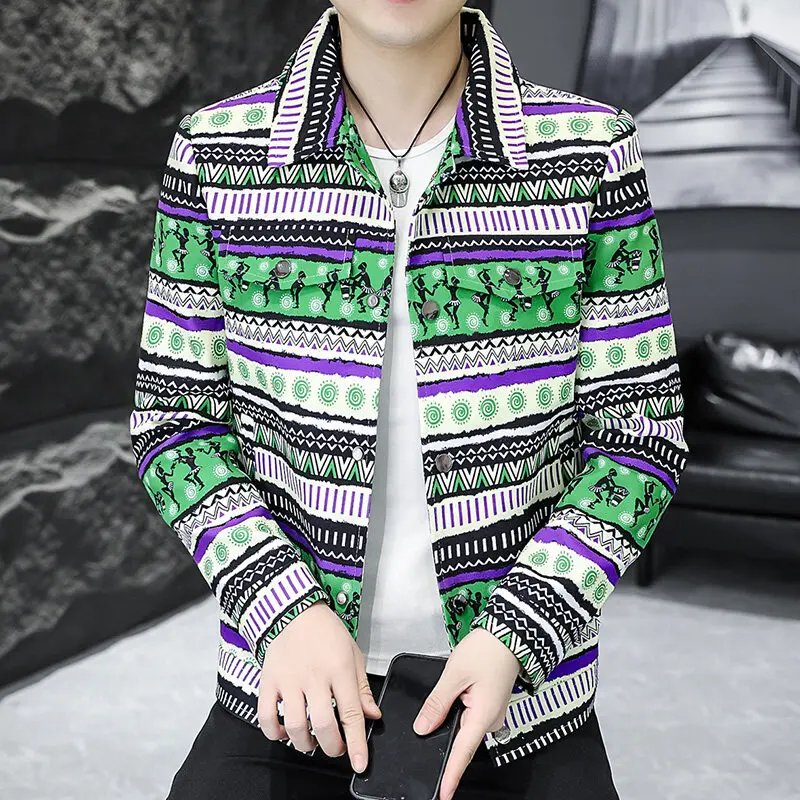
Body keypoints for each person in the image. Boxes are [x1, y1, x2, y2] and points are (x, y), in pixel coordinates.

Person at [129, 2, 689, 798]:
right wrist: (282, 607)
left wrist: (517, 632)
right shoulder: (217, 151)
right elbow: (175, 421)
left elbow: (638, 436)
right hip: (285, 691)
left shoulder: (590, 149)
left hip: (520, 704)